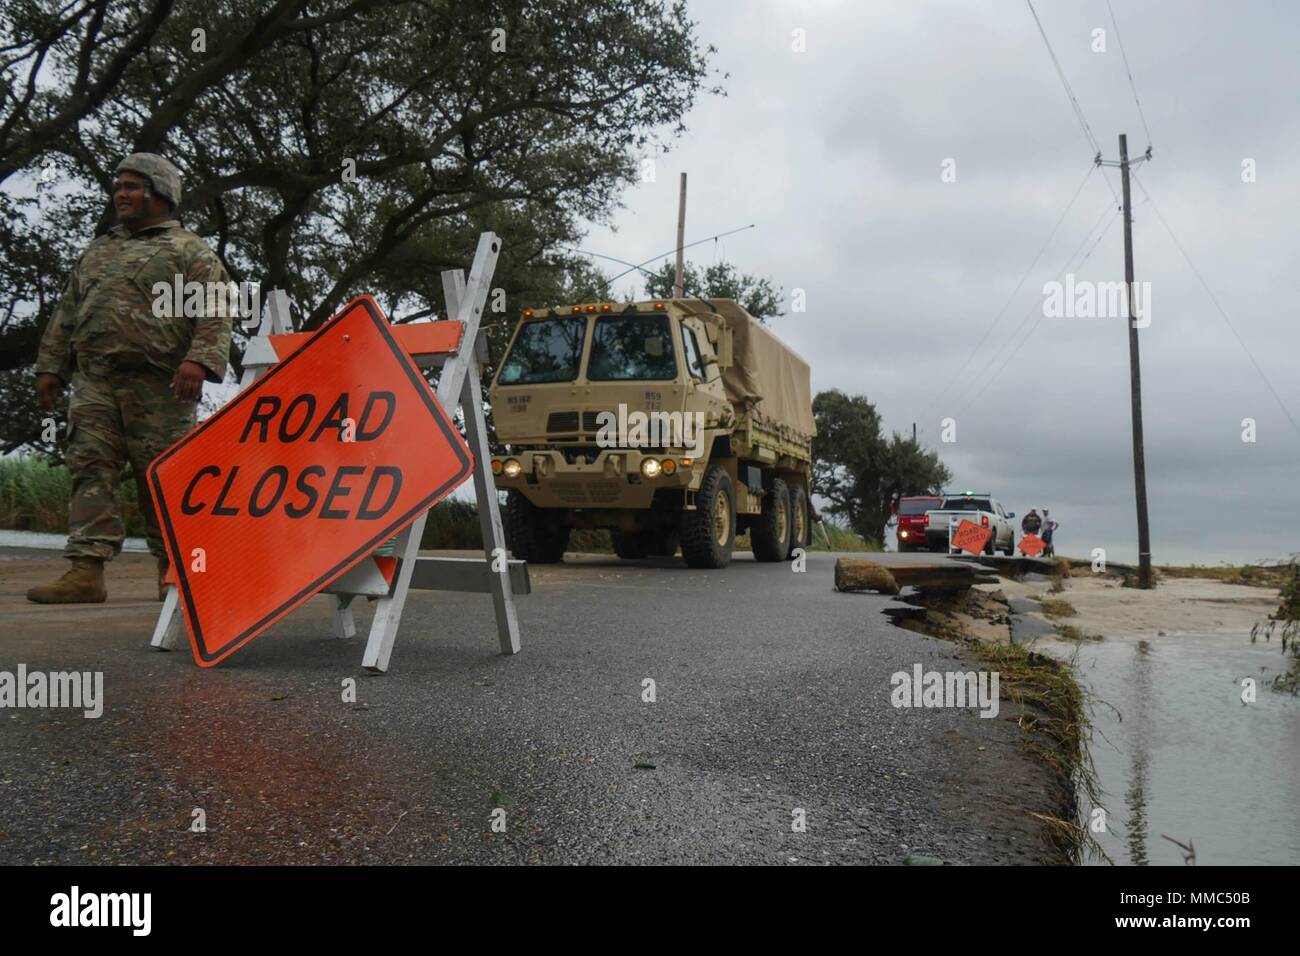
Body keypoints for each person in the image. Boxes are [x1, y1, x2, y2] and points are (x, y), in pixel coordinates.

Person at [28, 153, 233, 604]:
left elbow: (215, 309)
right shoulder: (99, 249)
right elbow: (67, 312)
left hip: (160, 386)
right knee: (90, 468)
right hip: (95, 382)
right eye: (119, 186)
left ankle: (174, 571)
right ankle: (86, 570)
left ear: (161, 193)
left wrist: (198, 361)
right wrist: (50, 366)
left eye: (133, 186)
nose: (122, 193)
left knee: (164, 478)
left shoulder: (189, 250)